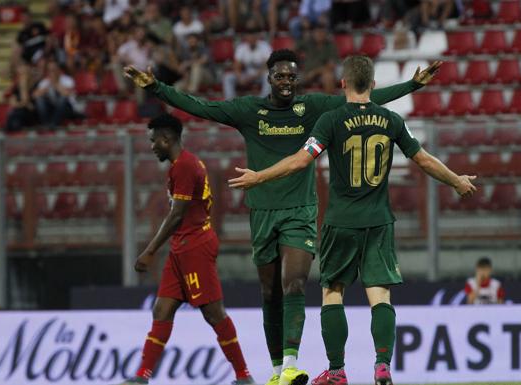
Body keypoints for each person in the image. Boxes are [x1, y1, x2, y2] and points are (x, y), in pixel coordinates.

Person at [124, 50, 441, 385]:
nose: (287, 82)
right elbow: (200, 106)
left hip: (301, 211)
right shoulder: (248, 110)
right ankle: (277, 371)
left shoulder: (312, 108)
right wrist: (156, 87)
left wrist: (413, 85)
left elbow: (362, 98)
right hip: (262, 212)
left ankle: (291, 363)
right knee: (269, 293)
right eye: (281, 76)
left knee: (294, 284)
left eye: (292, 76)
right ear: (269, 78)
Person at [227, 55, 476, 385]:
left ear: (343, 84)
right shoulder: (390, 120)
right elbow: (424, 160)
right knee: (380, 295)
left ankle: (336, 371)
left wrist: (260, 177)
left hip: (340, 221)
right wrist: (457, 180)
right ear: (372, 85)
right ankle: (383, 364)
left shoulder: (331, 121)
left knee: (332, 292)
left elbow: (301, 161)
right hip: (379, 221)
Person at [115, 114, 255, 385]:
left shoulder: (185, 167)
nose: (152, 146)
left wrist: (150, 250)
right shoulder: (181, 164)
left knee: (213, 313)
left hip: (195, 247)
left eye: (154, 141)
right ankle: (142, 377)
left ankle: (243, 376)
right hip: (181, 246)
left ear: (167, 139)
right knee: (161, 310)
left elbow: (177, 214)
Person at [222, 24, 272, 99]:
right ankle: (230, 103)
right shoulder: (242, 47)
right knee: (228, 77)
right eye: (249, 36)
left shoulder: (264, 46)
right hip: (246, 74)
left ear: (257, 37)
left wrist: (252, 77)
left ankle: (263, 101)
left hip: (259, 75)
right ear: (246, 37)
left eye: (253, 36)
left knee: (268, 75)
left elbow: (267, 66)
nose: (251, 38)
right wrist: (239, 78)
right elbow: (236, 65)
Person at [32, 60, 78, 130]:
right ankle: (46, 124)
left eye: (53, 70)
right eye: (49, 70)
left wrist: (56, 84)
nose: (51, 73)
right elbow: (34, 95)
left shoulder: (68, 80)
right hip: (52, 109)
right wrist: (47, 86)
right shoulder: (45, 82)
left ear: (59, 70)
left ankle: (53, 124)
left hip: (67, 109)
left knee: (63, 98)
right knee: (39, 99)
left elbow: (67, 94)